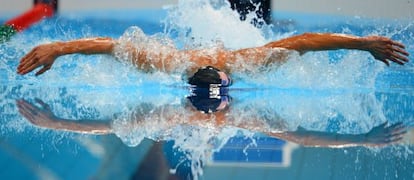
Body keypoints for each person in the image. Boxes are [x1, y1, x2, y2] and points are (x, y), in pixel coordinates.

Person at [17, 31, 409, 88]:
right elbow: (110, 44)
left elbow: (303, 40)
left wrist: (363, 43)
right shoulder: (165, 63)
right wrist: (58, 48)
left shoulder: (248, 61)